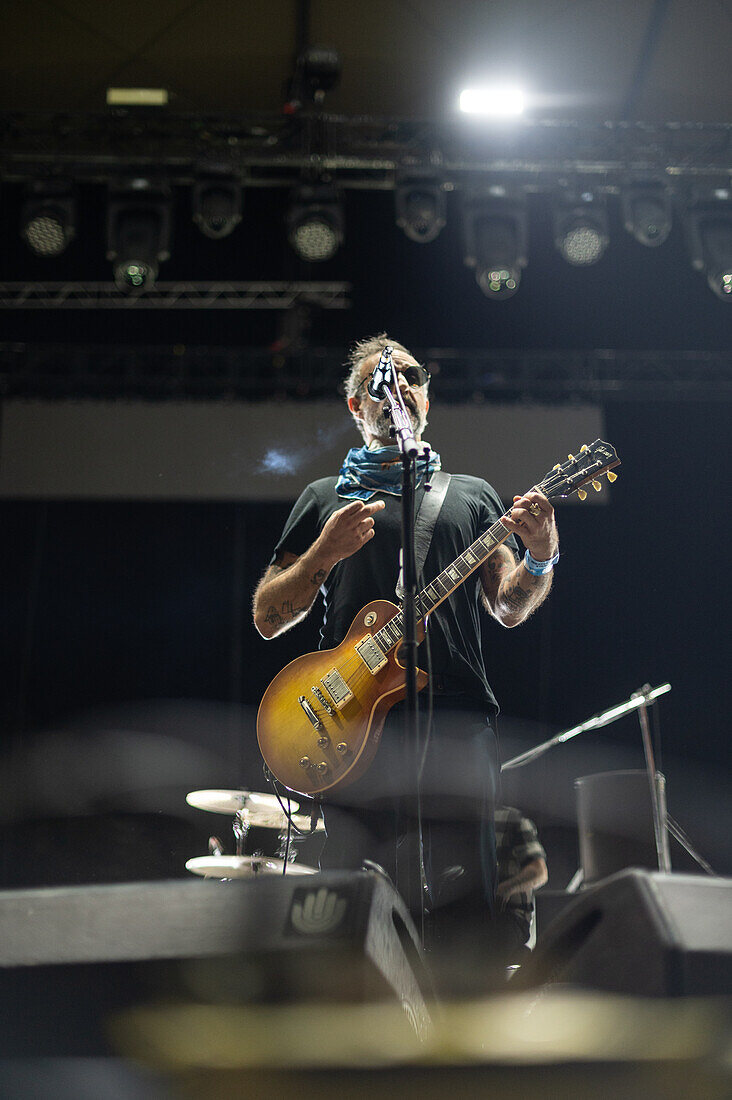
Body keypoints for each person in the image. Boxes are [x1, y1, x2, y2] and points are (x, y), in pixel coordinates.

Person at [252, 333, 559, 974]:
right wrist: (320, 556)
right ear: (354, 407)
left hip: (456, 719)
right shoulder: (323, 500)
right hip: (352, 725)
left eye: (413, 376)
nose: (400, 388)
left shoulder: (472, 496)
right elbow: (267, 617)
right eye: (380, 382)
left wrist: (540, 554)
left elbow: (508, 606)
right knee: (357, 889)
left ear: (427, 396)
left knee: (467, 893)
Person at [494, 806, 549, 965]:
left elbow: (539, 872)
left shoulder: (513, 821)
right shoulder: (459, 822)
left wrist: (504, 890)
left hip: (508, 917)